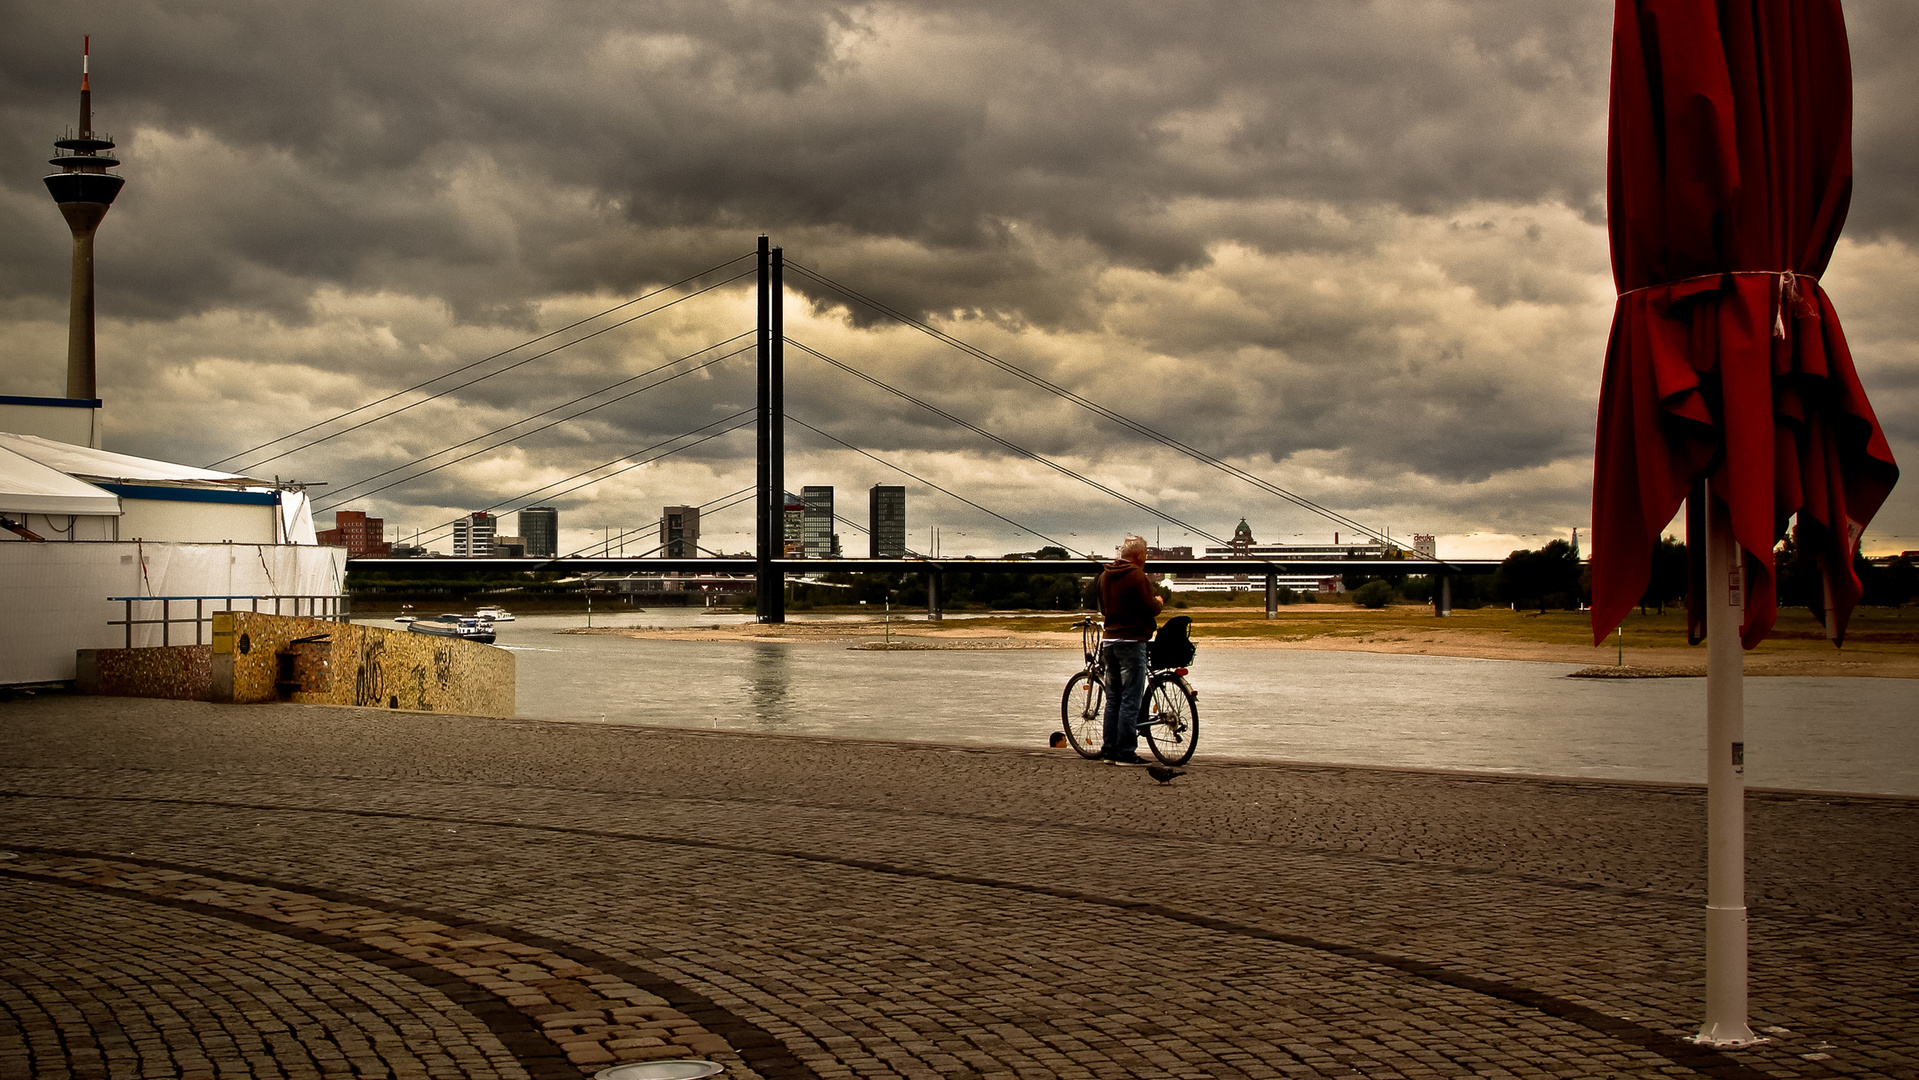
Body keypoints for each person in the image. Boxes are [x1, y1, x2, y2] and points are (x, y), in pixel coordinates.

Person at [1096, 534, 1163, 765]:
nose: (1146, 559)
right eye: (1145, 555)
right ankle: (1126, 752)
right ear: (1138, 556)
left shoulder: (1105, 576)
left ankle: (1109, 751)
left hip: (1109, 642)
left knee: (1113, 698)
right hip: (1132, 642)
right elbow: (1149, 607)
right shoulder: (1138, 576)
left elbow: (1104, 608)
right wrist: (1159, 603)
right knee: (1130, 698)